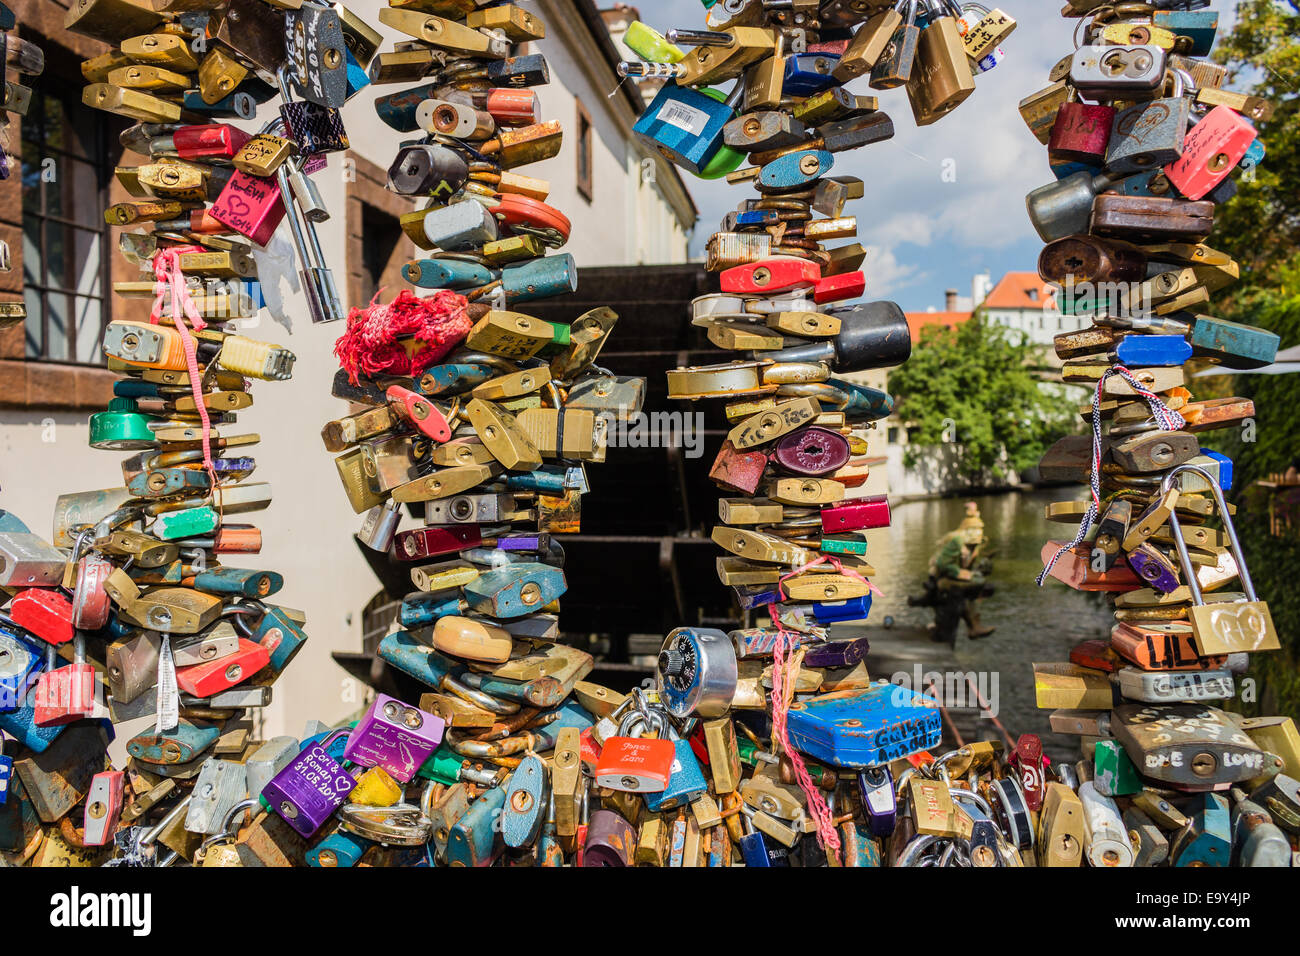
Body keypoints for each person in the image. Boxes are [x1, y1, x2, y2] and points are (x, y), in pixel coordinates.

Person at [909, 502, 996, 644]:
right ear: (967, 530)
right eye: (975, 530)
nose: (978, 534)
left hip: (955, 579)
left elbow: (969, 564)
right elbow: (942, 563)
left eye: (980, 530)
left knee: (976, 589)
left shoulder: (975, 545)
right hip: (942, 578)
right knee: (963, 593)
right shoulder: (957, 541)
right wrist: (959, 572)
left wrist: (981, 567)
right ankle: (970, 626)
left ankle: (974, 626)